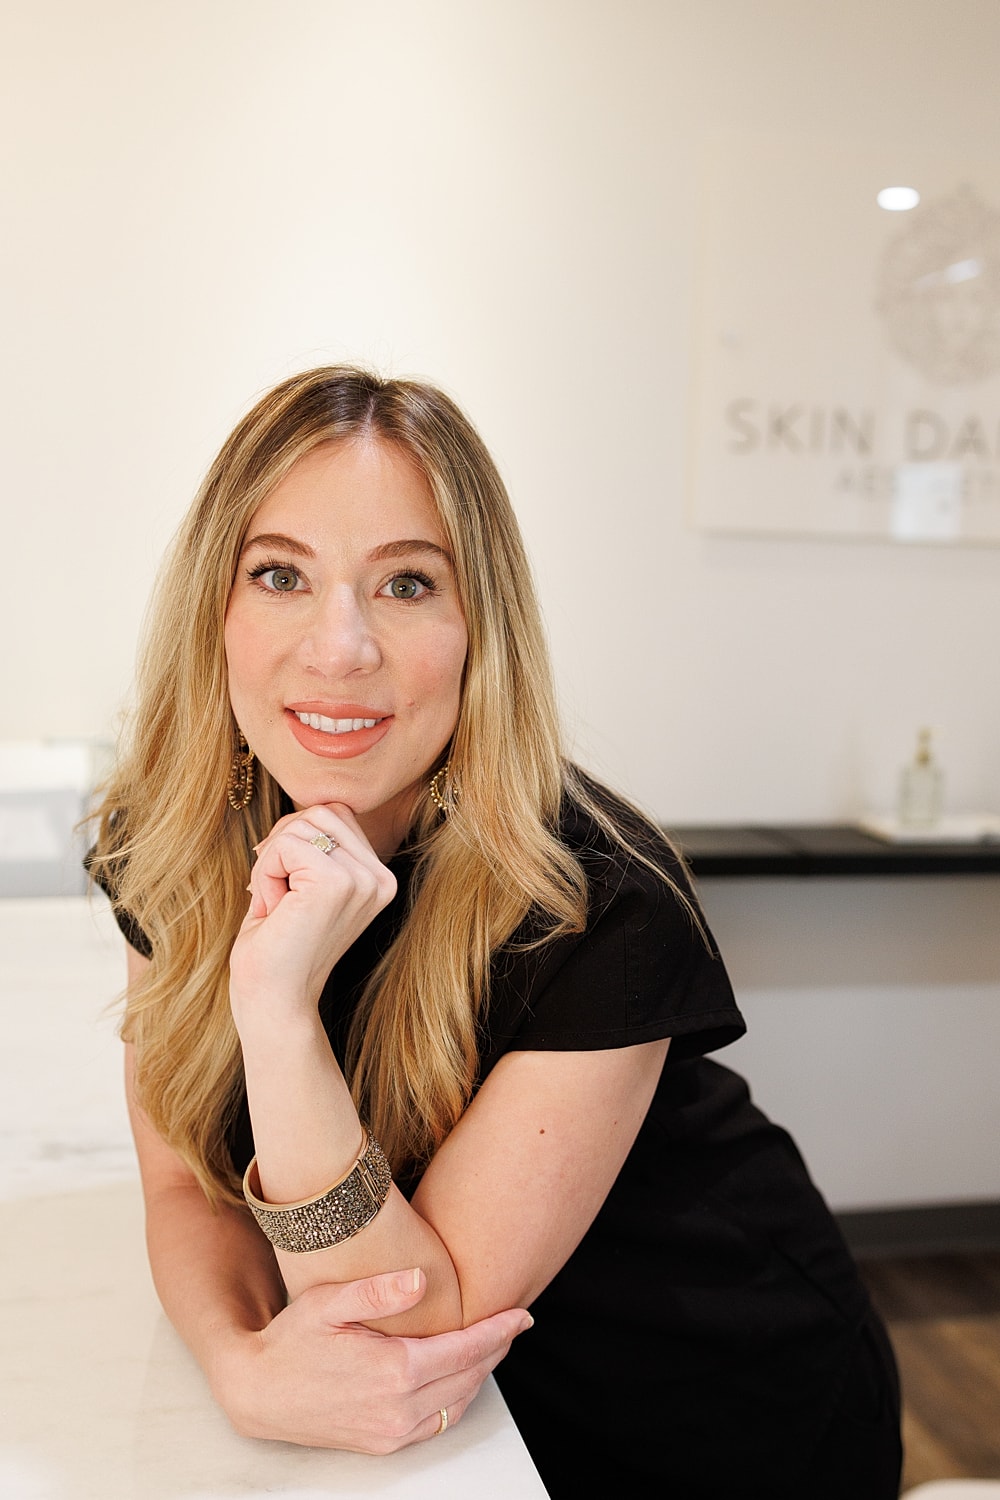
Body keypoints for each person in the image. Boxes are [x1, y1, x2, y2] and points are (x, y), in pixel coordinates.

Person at [88, 366, 902, 1498]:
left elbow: (404, 1333)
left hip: (701, 1407)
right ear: (212, 612)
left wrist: (276, 1010)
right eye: (279, 574)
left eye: (407, 585)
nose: (340, 648)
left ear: (481, 626)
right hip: (453, 1441)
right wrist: (239, 1364)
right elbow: (183, 1191)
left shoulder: (596, 898)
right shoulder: (166, 842)